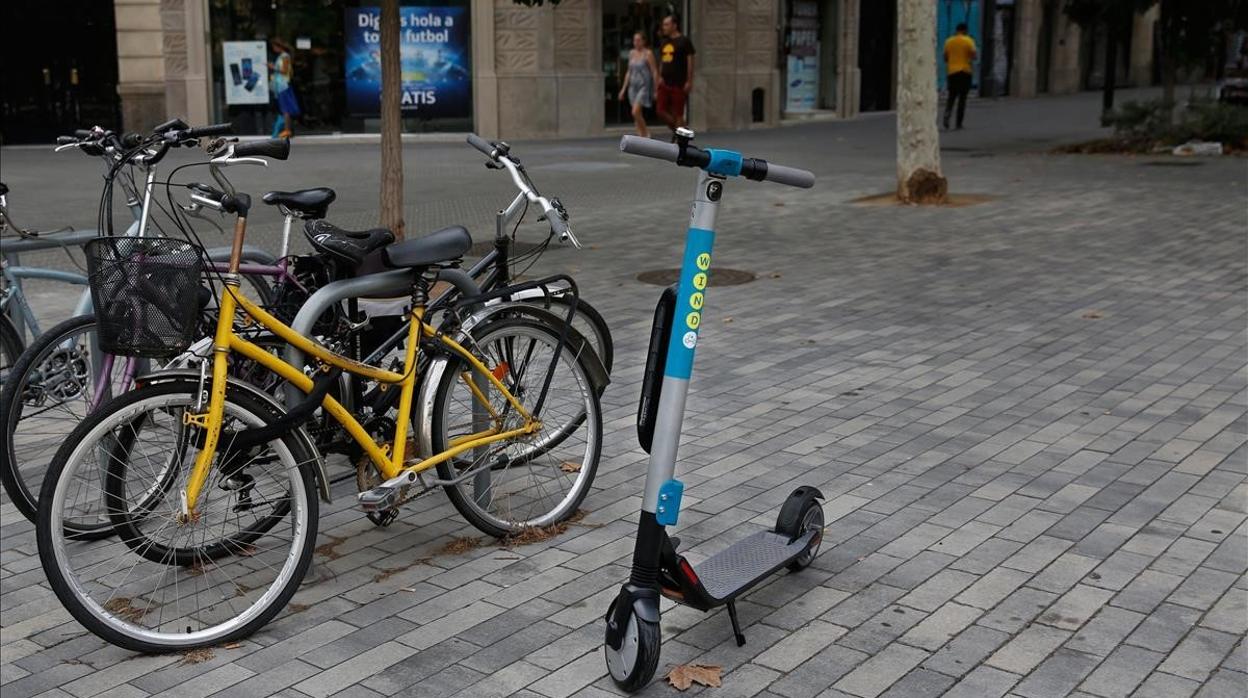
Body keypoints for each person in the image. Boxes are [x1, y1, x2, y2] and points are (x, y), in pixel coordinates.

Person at [656, 15, 695, 138]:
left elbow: (690, 61)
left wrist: (689, 80)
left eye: (667, 24)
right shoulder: (664, 42)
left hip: (679, 82)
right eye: (663, 25)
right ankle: (681, 131)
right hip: (665, 82)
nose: (664, 27)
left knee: (678, 113)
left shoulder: (684, 41)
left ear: (674, 25)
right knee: (660, 110)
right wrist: (659, 76)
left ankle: (680, 137)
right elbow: (662, 61)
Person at [617, 31, 660, 138]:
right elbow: (629, 71)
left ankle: (646, 133)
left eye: (638, 40)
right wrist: (623, 89)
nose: (636, 42)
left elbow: (654, 71)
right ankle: (640, 135)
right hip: (633, 86)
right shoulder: (631, 53)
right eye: (634, 40)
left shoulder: (648, 54)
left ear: (644, 41)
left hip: (644, 85)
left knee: (635, 111)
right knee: (637, 114)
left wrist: (656, 89)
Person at [943, 23, 976, 130]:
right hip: (965, 71)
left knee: (951, 96)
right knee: (962, 98)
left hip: (952, 72)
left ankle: (947, 114)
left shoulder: (948, 41)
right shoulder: (968, 41)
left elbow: (945, 57)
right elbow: (974, 55)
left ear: (956, 30)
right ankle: (958, 123)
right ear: (965, 30)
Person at [269, 38, 300, 138]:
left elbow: (284, 70)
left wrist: (272, 67)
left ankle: (287, 130)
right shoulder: (281, 56)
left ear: (279, 47)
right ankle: (286, 129)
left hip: (283, 86)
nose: (273, 49)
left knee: (285, 108)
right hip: (280, 86)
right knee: (284, 108)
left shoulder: (285, 56)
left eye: (274, 47)